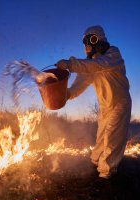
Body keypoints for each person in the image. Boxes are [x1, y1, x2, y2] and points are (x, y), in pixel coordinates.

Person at [56, 25, 132, 179]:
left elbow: (95, 65)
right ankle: (95, 162)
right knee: (101, 136)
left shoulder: (113, 55)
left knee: (112, 138)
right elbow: (80, 84)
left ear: (97, 39)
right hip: (105, 106)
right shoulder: (90, 64)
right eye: (85, 43)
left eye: (90, 41)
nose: (87, 46)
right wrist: (67, 94)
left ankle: (106, 174)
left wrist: (70, 64)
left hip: (120, 103)